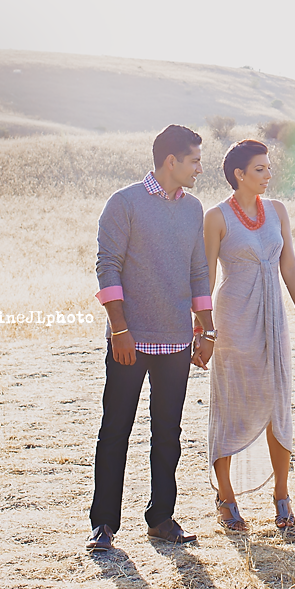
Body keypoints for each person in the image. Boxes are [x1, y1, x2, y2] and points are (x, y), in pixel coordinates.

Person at [85, 125, 215, 551]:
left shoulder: (193, 208)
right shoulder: (125, 203)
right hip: (130, 340)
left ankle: (161, 518)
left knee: (168, 432)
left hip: (176, 340)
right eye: (194, 160)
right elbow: (108, 267)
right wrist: (119, 330)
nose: (200, 167)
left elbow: (199, 270)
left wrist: (206, 328)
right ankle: (103, 524)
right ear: (171, 161)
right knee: (115, 430)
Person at [205, 139, 295, 532]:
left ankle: (282, 497)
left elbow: (289, 265)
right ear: (239, 174)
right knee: (231, 400)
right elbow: (205, 276)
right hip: (234, 319)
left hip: (275, 317)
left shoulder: (277, 211)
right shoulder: (216, 217)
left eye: (269, 168)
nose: (269, 175)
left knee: (278, 401)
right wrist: (204, 328)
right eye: (260, 169)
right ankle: (225, 496)